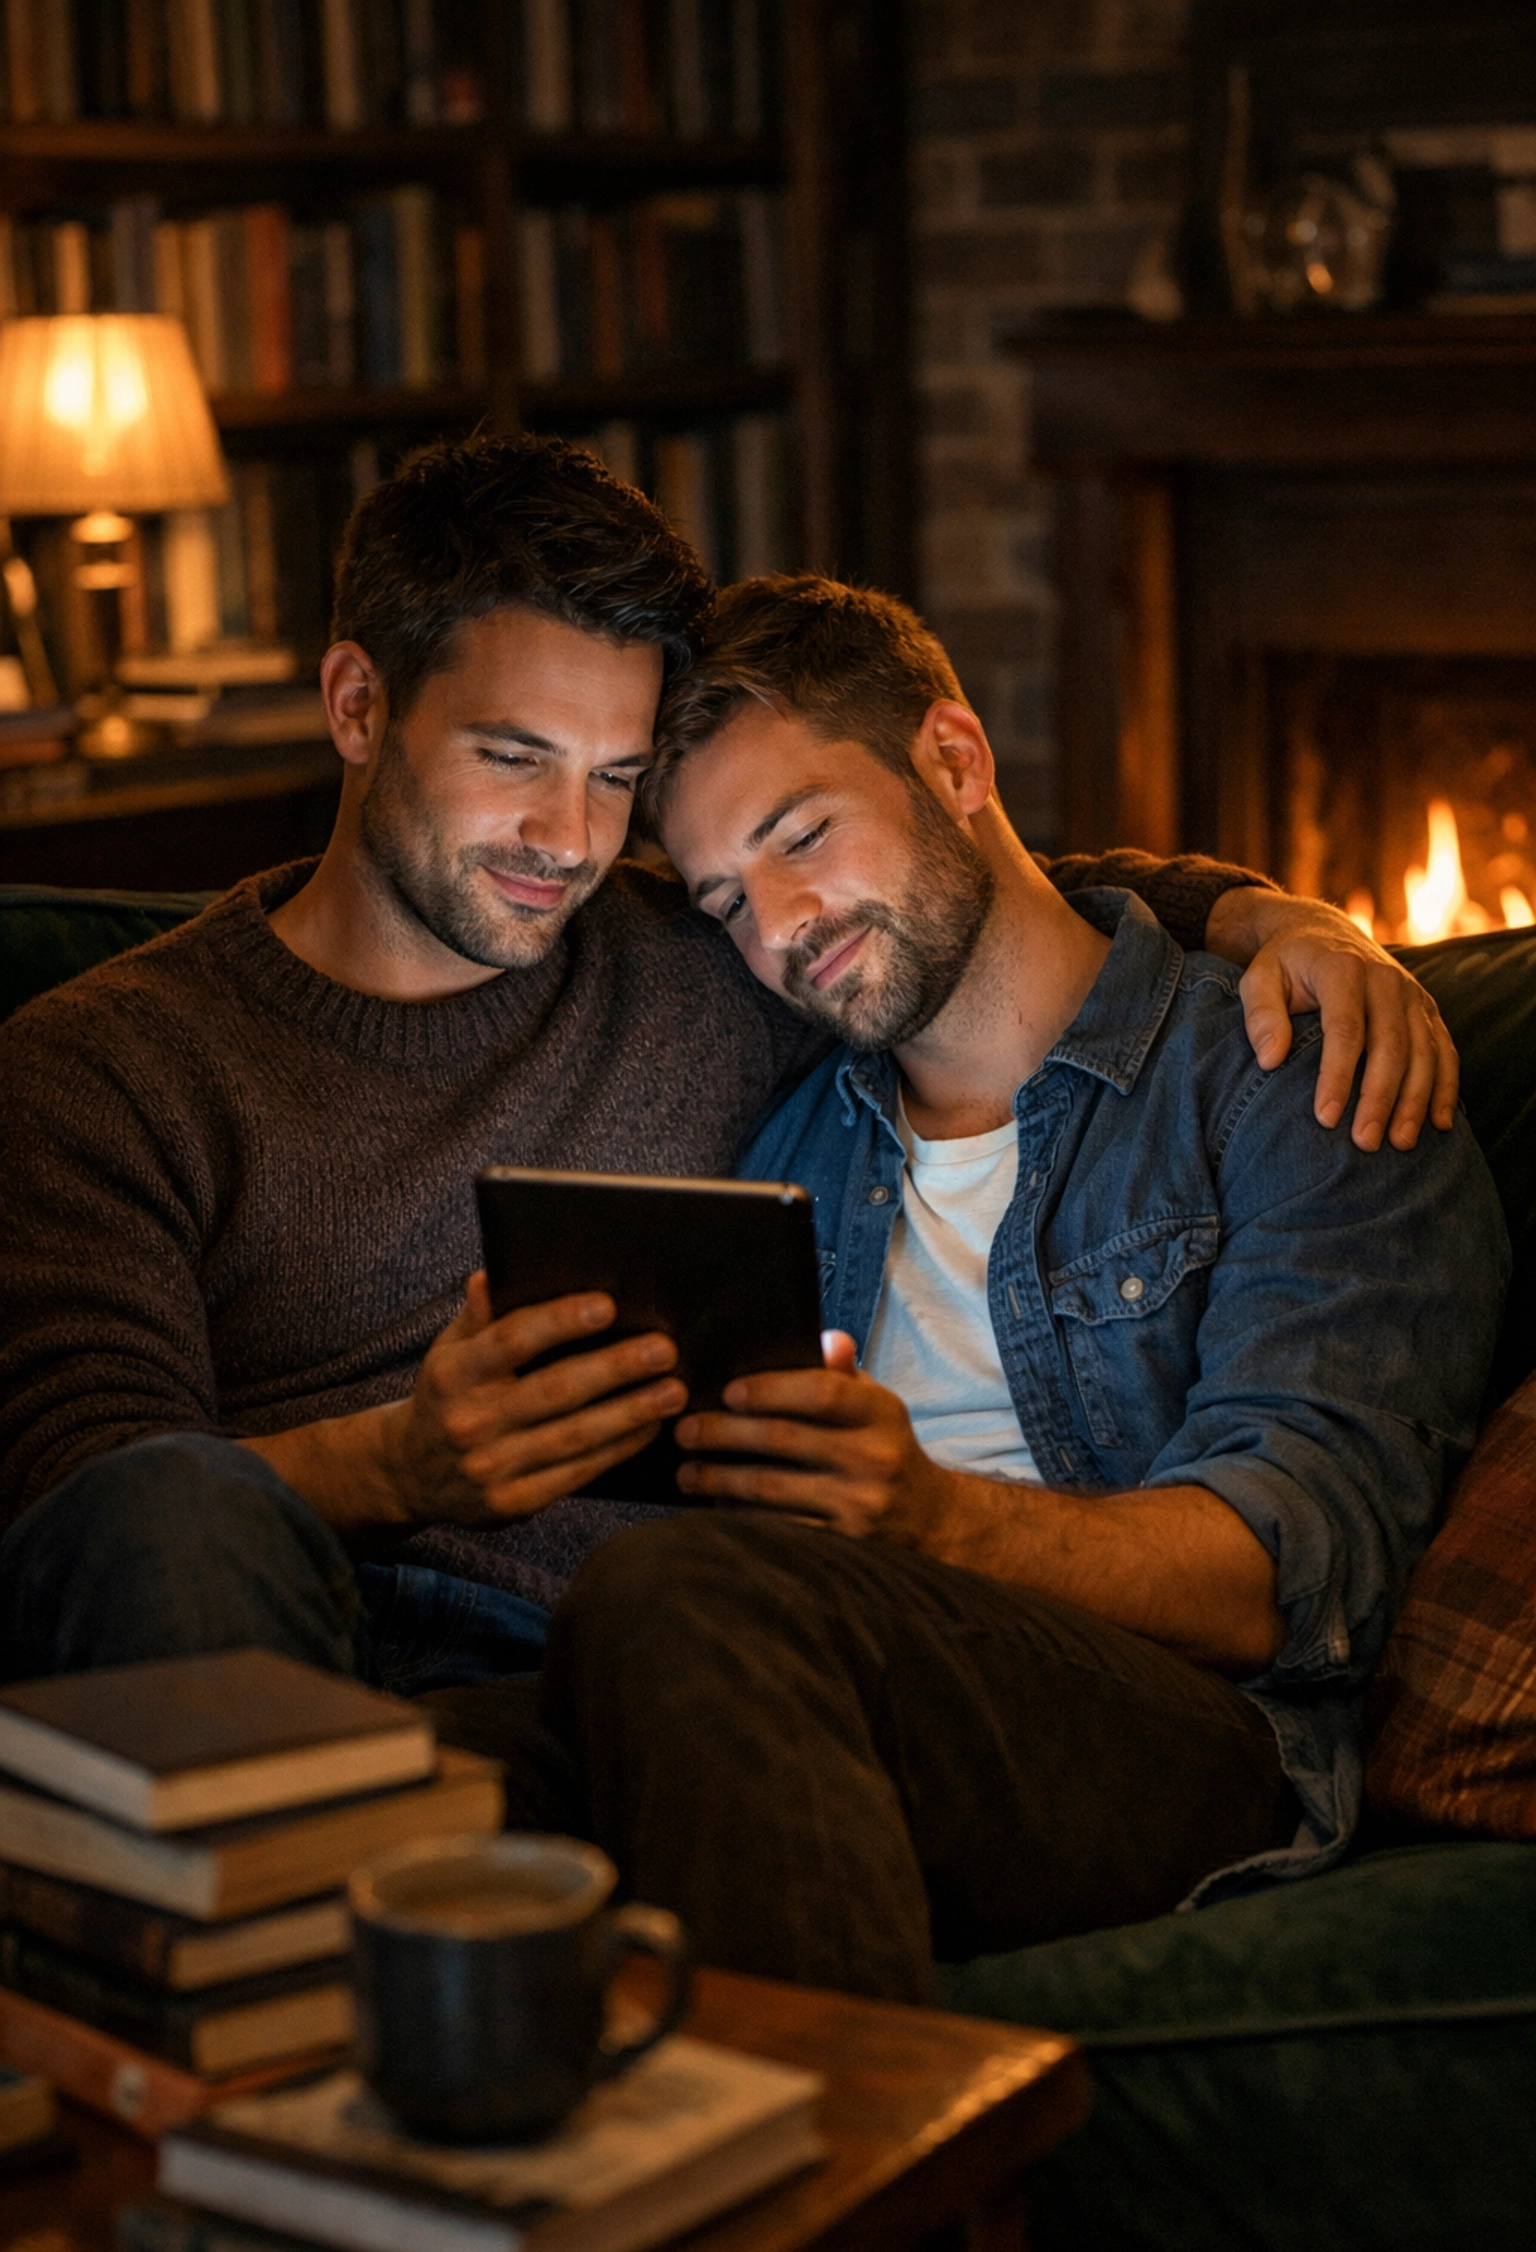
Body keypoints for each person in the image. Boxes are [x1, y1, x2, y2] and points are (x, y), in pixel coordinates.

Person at [0, 437, 1460, 1700]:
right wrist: (397, 1469)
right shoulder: (102, 1071)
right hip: (290, 1653)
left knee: (682, 1649)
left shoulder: (703, 952)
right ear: (358, 707)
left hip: (643, 1679)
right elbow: (88, 1520)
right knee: (169, 1523)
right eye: (513, 756)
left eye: (616, 778)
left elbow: (974, 905)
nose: (567, 840)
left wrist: (1280, 914)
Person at [518, 575, 1509, 2004]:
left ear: (956, 763)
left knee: (684, 1596)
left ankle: (854, 2204)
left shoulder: (1288, 1074)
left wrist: (924, 1516)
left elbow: (1294, 1575)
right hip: (815, 1679)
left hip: (1194, 1733)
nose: (783, 925)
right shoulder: (785, 1147)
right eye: (730, 898)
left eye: (803, 834)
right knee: (434, 1762)